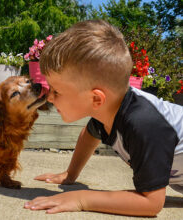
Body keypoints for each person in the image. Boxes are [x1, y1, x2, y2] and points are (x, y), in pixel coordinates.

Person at [23, 20, 183, 216]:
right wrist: (70, 174)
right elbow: (89, 134)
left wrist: (81, 198)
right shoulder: (107, 112)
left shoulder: (145, 124)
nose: (49, 97)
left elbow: (150, 203)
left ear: (96, 99)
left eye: (56, 91)